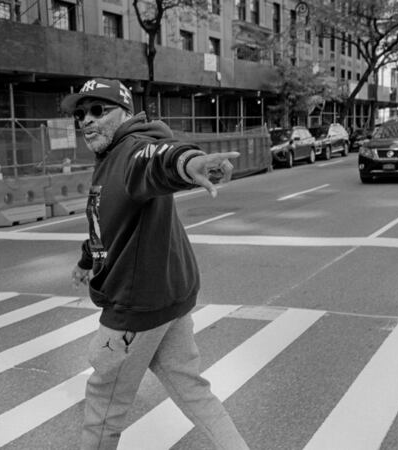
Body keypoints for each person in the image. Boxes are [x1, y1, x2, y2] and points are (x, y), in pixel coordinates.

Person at [63, 78, 249, 450]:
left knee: (103, 408)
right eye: (81, 114)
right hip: (168, 300)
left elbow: (161, 159)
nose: (86, 120)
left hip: (135, 308)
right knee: (193, 390)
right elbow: (107, 222)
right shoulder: (110, 159)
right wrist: (87, 260)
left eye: (99, 110)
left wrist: (192, 162)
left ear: (126, 114)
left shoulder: (131, 151)